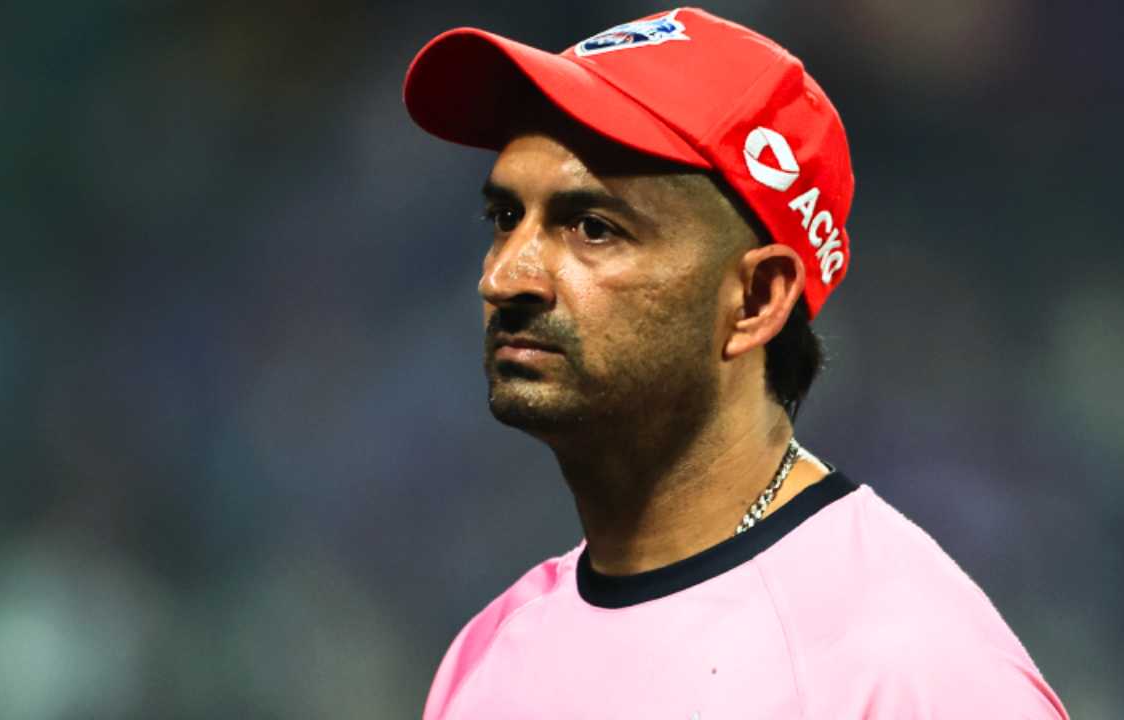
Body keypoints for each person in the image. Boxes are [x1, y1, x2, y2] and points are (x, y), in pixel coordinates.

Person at [402, 8, 1069, 719]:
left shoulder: (913, 670)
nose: (503, 276)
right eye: (505, 219)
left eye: (593, 228)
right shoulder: (489, 652)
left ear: (757, 299)